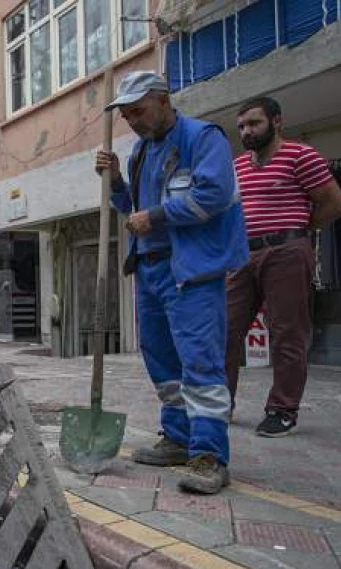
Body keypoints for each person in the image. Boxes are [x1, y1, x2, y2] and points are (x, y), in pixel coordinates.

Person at [95, 71, 248, 494]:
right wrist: (116, 184)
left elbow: (213, 195)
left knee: (200, 360)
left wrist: (157, 216)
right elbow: (133, 208)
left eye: (138, 112)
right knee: (161, 359)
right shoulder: (140, 152)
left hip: (192, 270)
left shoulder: (203, 138)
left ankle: (209, 454)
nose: (133, 122)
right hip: (149, 268)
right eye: (126, 116)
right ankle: (178, 437)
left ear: (163, 100)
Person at [226, 97, 341, 437]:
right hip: (243, 256)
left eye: (254, 123)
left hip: (286, 252)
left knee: (287, 332)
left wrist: (297, 230)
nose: (247, 131)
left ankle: (282, 409)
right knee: (224, 329)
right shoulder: (238, 166)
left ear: (276, 122)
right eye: (242, 126)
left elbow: (336, 204)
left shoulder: (300, 155)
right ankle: (220, 403)